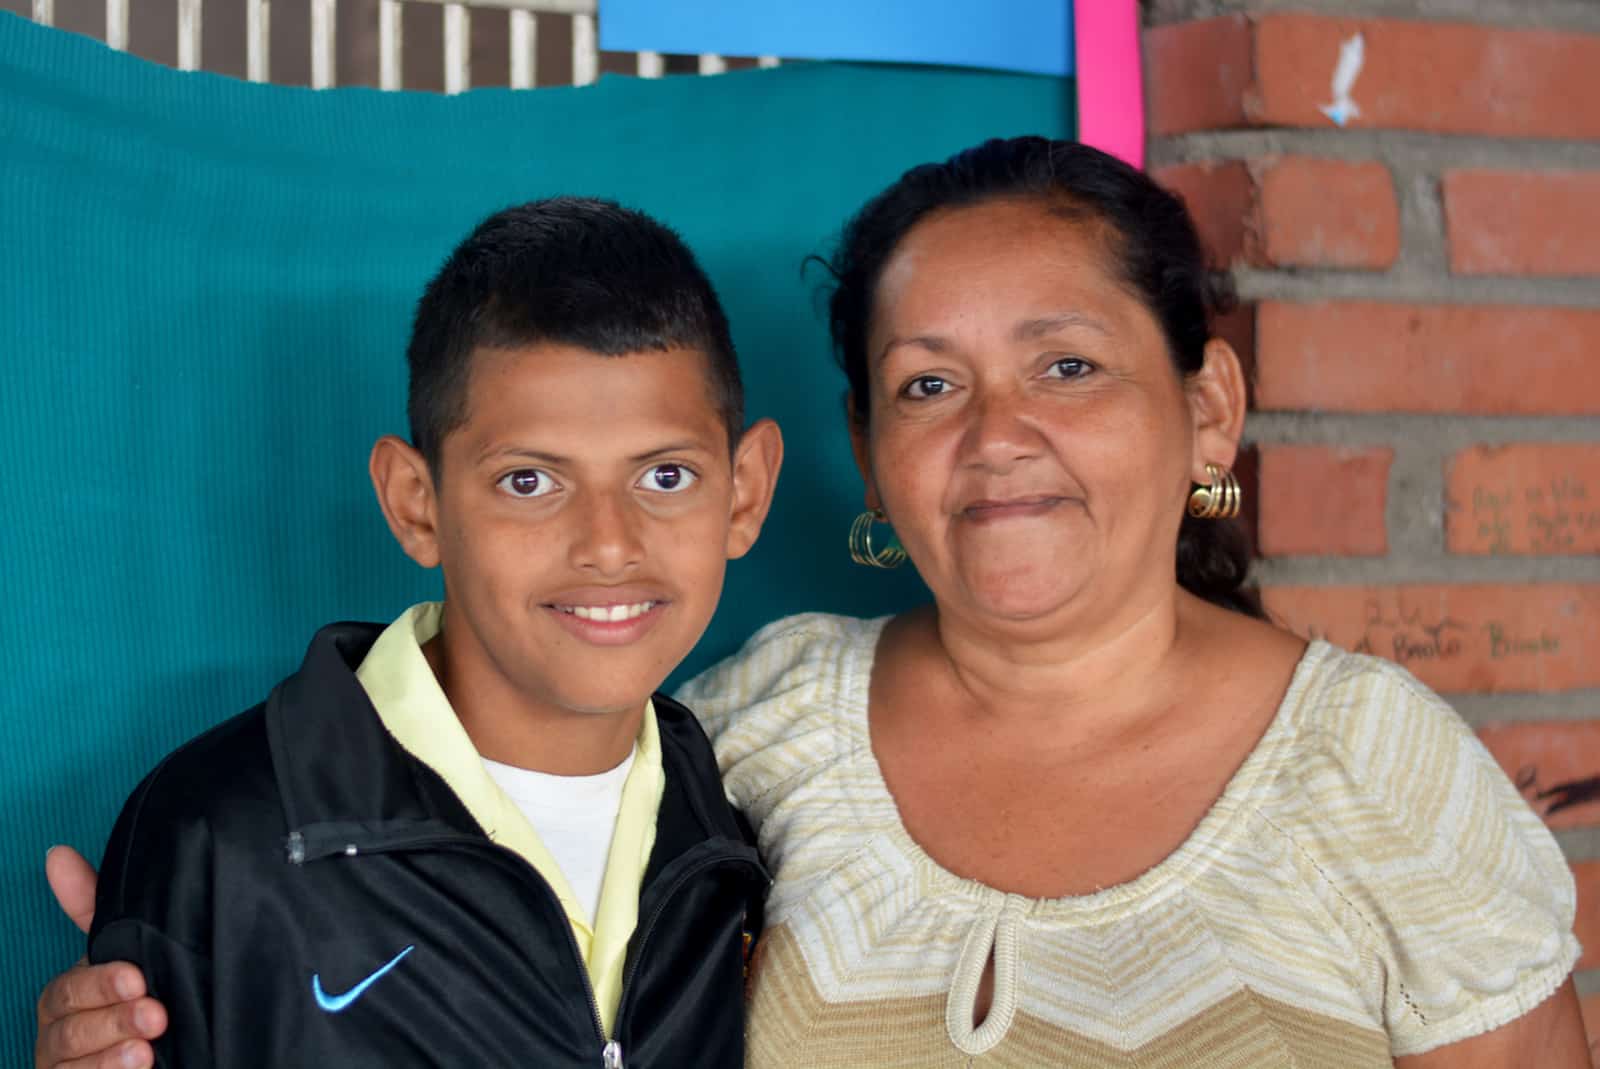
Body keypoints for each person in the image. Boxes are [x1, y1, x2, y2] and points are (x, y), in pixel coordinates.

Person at [37, 138, 1591, 1068]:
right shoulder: (760, 730)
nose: (997, 435)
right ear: (864, 450)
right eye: (931, 384)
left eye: (1068, 364)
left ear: (1206, 411)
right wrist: (194, 957)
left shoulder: (1378, 773)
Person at [34, 196, 783, 1068]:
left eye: (665, 473)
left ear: (745, 491)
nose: (609, 546)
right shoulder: (219, 840)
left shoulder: (735, 839)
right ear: (414, 504)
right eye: (530, 482)